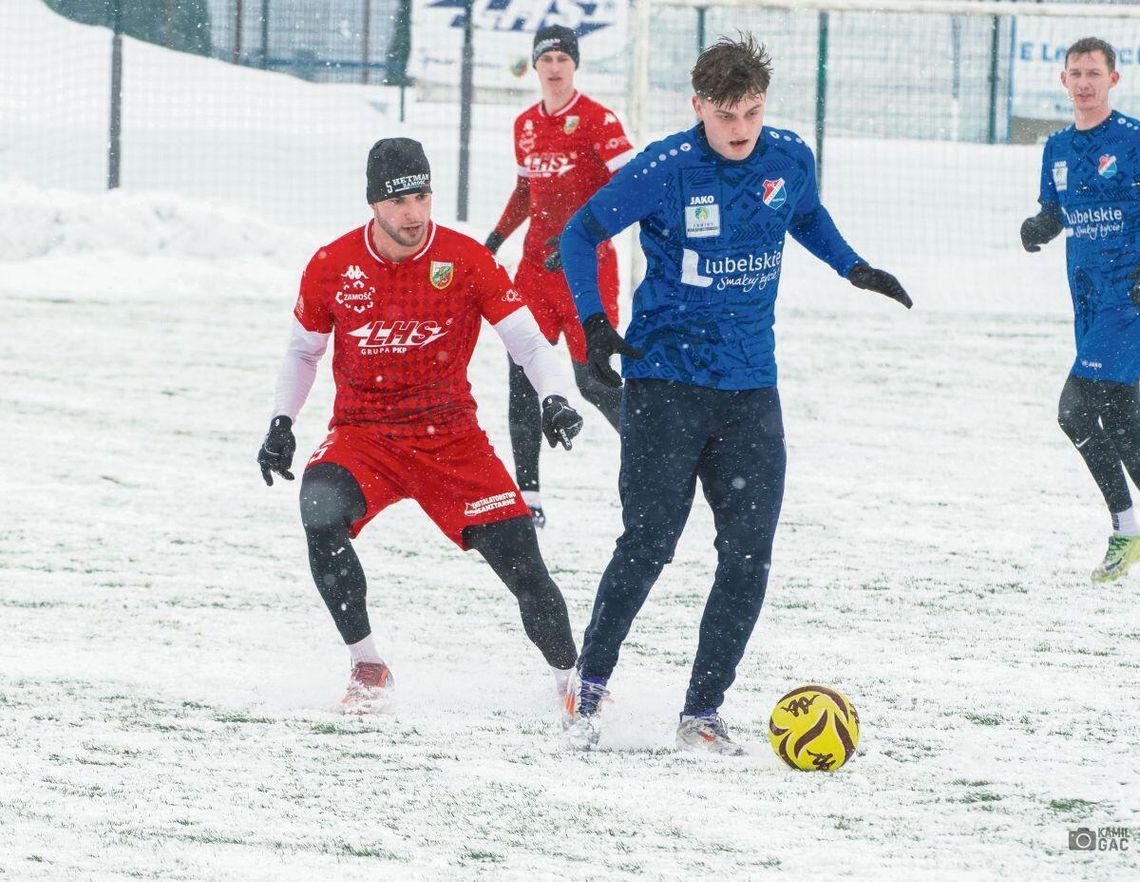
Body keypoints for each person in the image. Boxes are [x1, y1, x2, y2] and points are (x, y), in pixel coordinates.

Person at [557, 35, 912, 753]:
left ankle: (702, 712)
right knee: (650, 544)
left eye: (751, 112)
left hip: (751, 390)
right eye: (726, 115)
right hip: (665, 386)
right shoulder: (665, 168)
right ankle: (588, 686)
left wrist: (854, 267)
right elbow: (578, 232)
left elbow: (804, 214)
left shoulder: (788, 157)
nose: (741, 129)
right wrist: (594, 321)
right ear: (699, 108)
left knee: (748, 554)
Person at [258, 137, 586, 714]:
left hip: (452, 440)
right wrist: (282, 422)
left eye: (423, 195)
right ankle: (367, 664)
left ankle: (574, 684)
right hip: (365, 436)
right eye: (399, 200)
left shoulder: (465, 260)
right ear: (373, 204)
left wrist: (555, 398)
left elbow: (529, 343)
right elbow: (302, 353)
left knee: (525, 569)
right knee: (319, 512)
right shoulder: (333, 264)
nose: (414, 213)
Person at [484, 24, 637, 527]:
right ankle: (528, 497)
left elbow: (632, 189)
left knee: (593, 381)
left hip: (586, 269)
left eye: (562, 60)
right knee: (522, 376)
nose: (554, 68)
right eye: (546, 59)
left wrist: (581, 237)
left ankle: (654, 469)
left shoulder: (598, 120)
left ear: (575, 66)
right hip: (533, 270)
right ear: (535, 66)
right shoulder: (526, 124)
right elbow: (527, 192)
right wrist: (495, 239)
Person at [1021, 37, 1140, 583]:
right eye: (1076, 73)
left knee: (1074, 410)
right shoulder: (1058, 148)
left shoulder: (1134, 141)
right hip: (1089, 304)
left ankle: (1125, 527)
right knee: (1122, 425)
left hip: (1130, 303)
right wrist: (1040, 227)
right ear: (1063, 81)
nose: (1085, 82)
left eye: (1095, 72)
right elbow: (1057, 209)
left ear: (1113, 80)